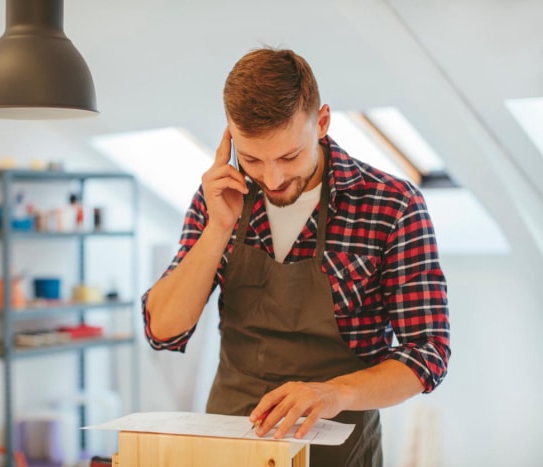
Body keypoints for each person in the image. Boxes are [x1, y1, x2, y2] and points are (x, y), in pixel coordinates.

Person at [141, 47, 450, 466]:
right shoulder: (220, 197)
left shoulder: (392, 205)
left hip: (340, 449)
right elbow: (164, 330)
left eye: (289, 156)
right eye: (252, 159)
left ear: (321, 122)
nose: (272, 178)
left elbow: (426, 351)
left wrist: (333, 392)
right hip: (230, 445)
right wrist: (217, 229)